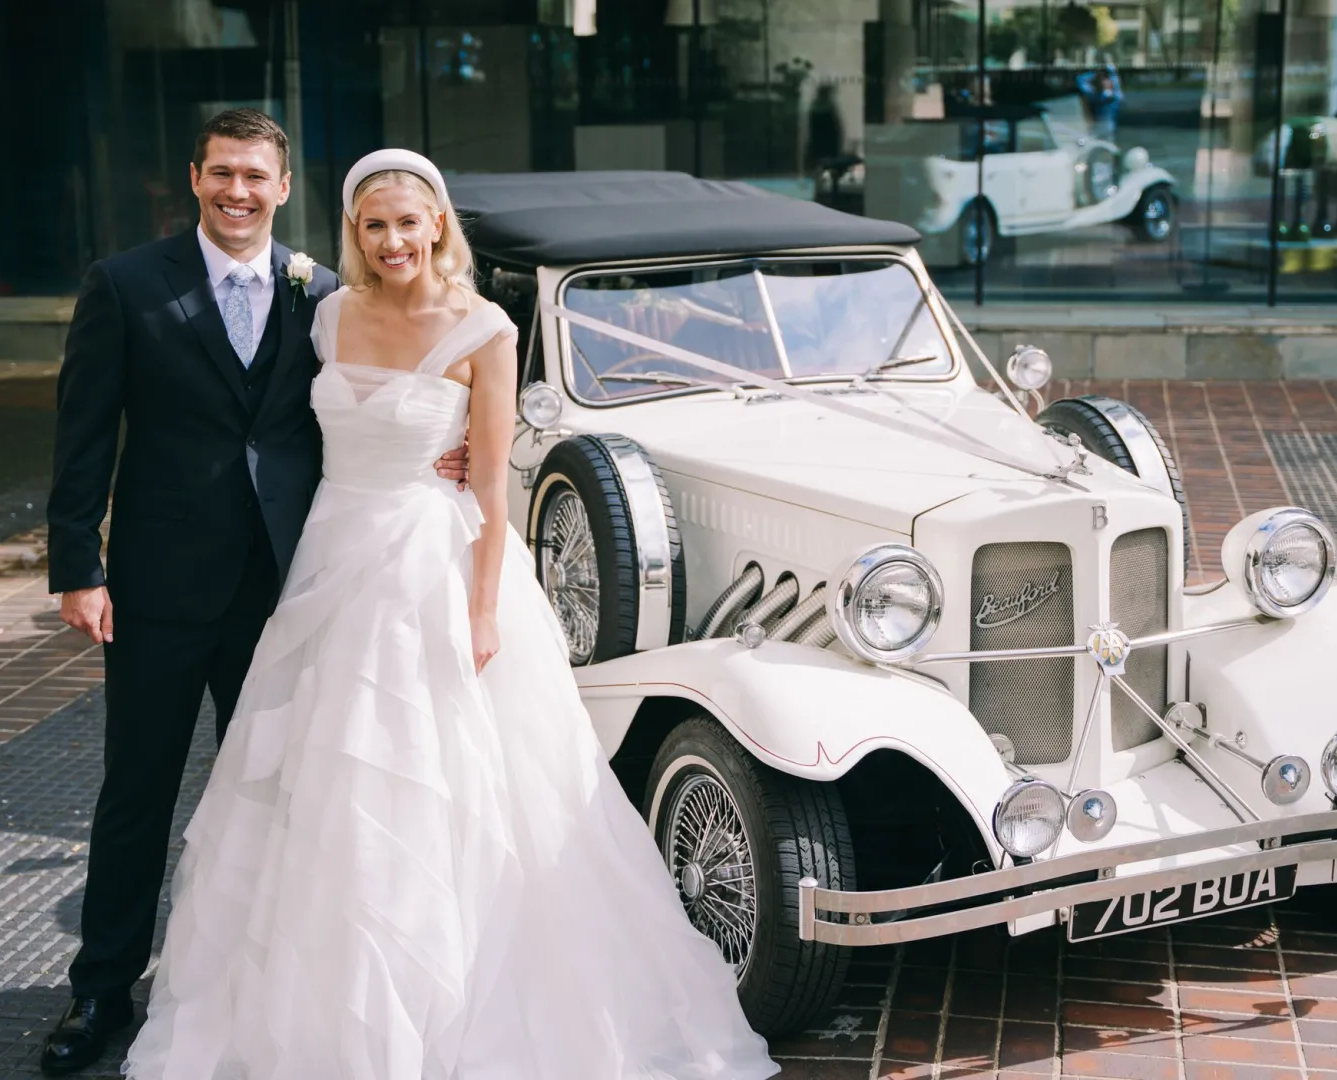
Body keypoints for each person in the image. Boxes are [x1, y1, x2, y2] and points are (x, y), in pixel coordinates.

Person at [119, 148, 782, 1079]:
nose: (392, 240)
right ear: (356, 234)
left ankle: (456, 997)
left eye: (407, 222)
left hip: (435, 563)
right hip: (332, 560)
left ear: (438, 224)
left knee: (446, 779)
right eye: (373, 225)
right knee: (324, 781)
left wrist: (481, 611)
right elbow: (282, 433)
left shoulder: (484, 330)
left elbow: (494, 485)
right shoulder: (326, 315)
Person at [40, 110, 470, 1074]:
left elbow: (359, 412)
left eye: (256, 177)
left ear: (283, 190)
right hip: (153, 588)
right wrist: (78, 563)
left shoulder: (319, 293)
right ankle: (101, 989)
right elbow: (84, 433)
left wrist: (448, 454)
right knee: (136, 793)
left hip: (284, 591)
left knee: (276, 794)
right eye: (222, 173)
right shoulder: (126, 286)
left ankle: (243, 979)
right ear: (195, 178)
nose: (239, 191)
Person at [1076, 59, 1122, 143]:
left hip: (1105, 128)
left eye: (1106, 80)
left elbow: (1080, 80)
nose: (1104, 82)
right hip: (1100, 127)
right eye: (1102, 80)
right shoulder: (1097, 94)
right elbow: (1080, 80)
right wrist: (1099, 73)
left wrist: (1095, 73)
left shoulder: (1111, 96)